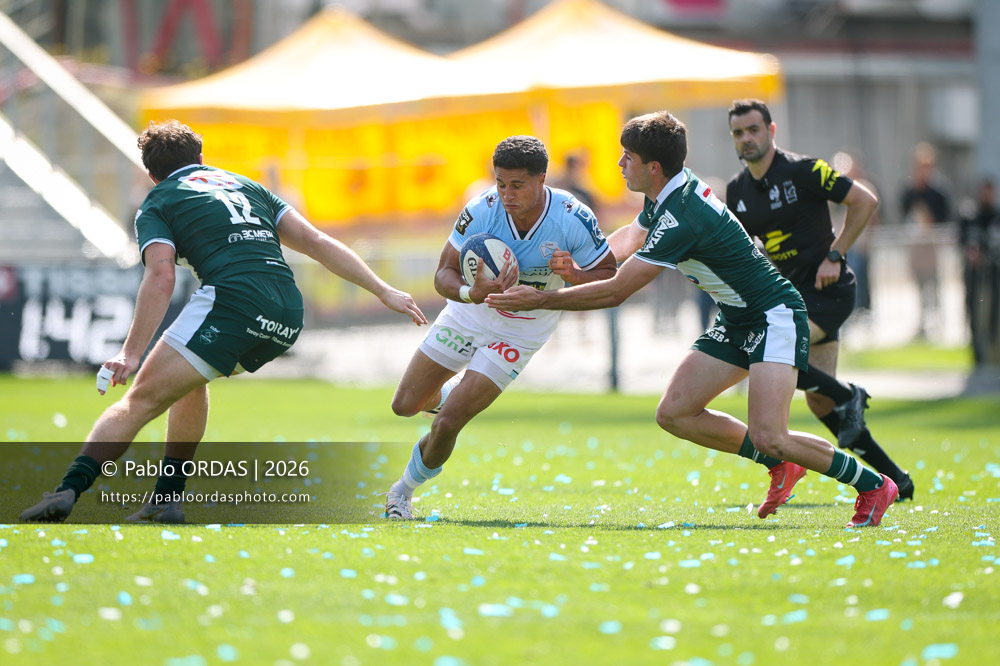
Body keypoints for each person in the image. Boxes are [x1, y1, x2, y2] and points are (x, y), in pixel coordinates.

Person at [488, 111, 899, 527]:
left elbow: (618, 291)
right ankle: (780, 465)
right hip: (738, 318)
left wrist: (542, 299)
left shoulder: (682, 216)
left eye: (625, 156)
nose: (619, 164)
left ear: (653, 167)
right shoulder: (669, 193)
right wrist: (580, 266)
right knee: (675, 413)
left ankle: (873, 484)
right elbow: (631, 235)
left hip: (774, 315)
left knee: (771, 434)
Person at [19, 120, 427, 523]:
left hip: (234, 300)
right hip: (287, 310)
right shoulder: (247, 185)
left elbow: (161, 276)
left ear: (150, 174)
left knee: (140, 399)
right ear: (201, 158)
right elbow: (317, 242)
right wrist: (382, 290)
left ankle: (68, 489)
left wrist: (130, 352)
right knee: (189, 381)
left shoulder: (158, 201)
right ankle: (166, 500)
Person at [383, 135, 617, 519]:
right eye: (500, 183)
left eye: (518, 185)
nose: (507, 195)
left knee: (448, 423)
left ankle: (401, 492)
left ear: (543, 179)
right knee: (404, 405)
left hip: (521, 331)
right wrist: (470, 292)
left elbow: (610, 276)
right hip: (471, 313)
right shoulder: (481, 210)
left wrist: (574, 273)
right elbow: (443, 272)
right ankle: (449, 394)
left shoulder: (573, 216)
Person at [725, 100, 914, 501]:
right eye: (739, 133)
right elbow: (740, 250)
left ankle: (851, 396)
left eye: (754, 130)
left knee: (782, 354)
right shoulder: (736, 191)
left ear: (772, 131)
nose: (747, 139)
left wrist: (836, 253)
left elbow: (865, 200)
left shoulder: (804, 170)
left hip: (829, 291)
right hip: (790, 299)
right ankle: (894, 477)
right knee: (819, 401)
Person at [900, 142, 952, 339]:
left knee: (935, 283)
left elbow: (945, 215)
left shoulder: (938, 191)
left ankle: (938, 321)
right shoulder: (910, 189)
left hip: (933, 243)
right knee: (919, 283)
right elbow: (903, 209)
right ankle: (921, 321)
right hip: (916, 244)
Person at [959, 178, 1000, 366]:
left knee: (994, 314)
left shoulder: (996, 216)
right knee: (974, 311)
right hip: (974, 275)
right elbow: (962, 240)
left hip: (994, 274)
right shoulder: (970, 217)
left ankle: (993, 352)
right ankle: (977, 353)